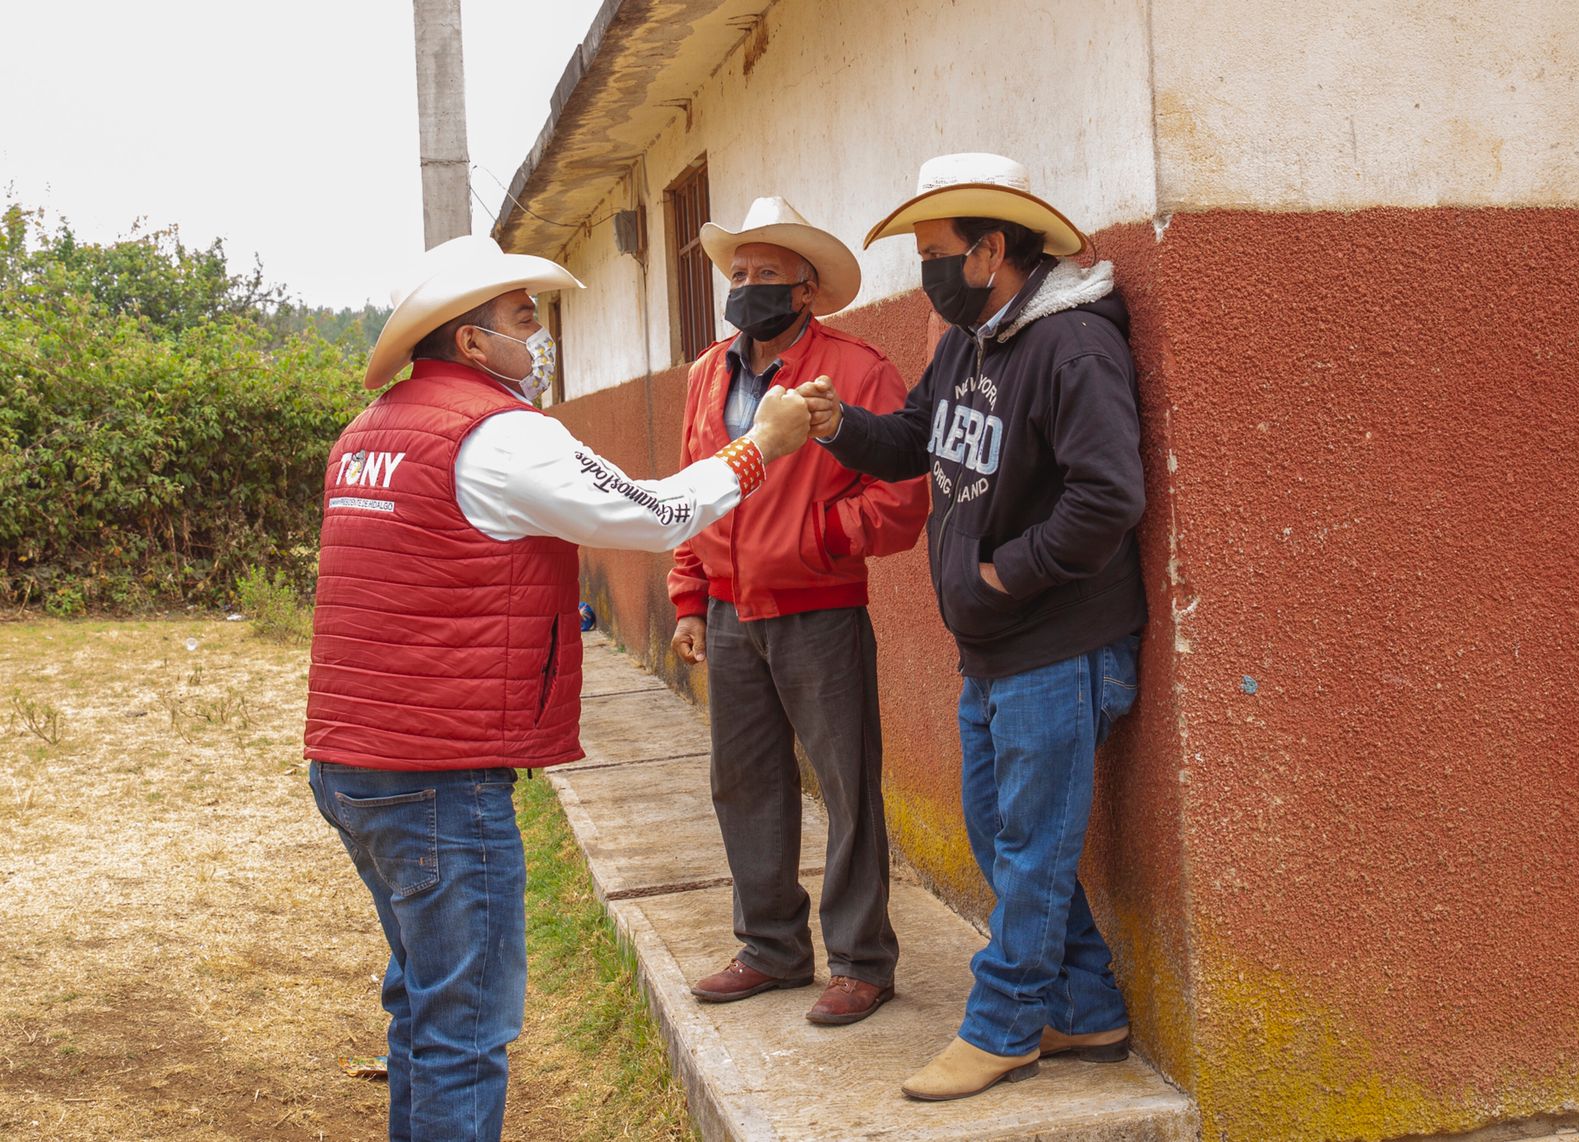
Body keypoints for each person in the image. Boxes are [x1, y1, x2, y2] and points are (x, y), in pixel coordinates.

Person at [303, 234, 811, 1141]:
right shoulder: (499, 434)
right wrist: (758, 445)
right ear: (468, 343)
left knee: (424, 1004)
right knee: (464, 1027)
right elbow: (654, 516)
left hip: (353, 763)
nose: (538, 337)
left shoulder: (369, 432)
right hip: (440, 776)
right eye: (523, 318)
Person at [800, 154, 1147, 1100]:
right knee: (999, 833)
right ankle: (1085, 1009)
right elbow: (914, 437)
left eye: (937, 254)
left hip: (1060, 644)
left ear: (993, 251)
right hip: (994, 645)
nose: (928, 274)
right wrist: (839, 426)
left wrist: (1003, 572)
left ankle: (1003, 1025)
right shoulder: (968, 343)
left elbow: (1109, 495)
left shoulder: (1072, 347)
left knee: (1031, 846)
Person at [667, 197, 928, 1025]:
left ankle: (861, 960)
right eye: (738, 275)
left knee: (848, 787)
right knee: (743, 784)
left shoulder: (857, 370)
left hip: (820, 612)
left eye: (765, 276)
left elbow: (903, 495)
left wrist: (818, 540)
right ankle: (772, 950)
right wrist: (688, 596)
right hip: (730, 615)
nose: (745, 288)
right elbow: (688, 491)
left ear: (806, 291)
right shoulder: (708, 373)